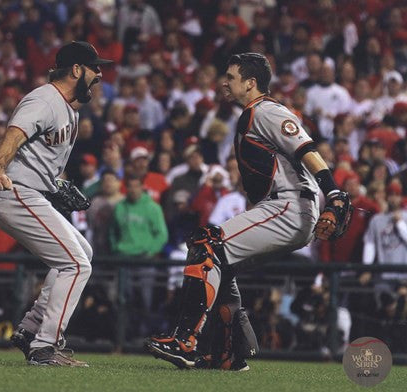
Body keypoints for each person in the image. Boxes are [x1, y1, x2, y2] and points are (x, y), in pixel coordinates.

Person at [145, 53, 350, 371]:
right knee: (220, 264)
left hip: (290, 205)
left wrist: (334, 194)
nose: (224, 82)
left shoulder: (267, 111)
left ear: (251, 83)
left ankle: (186, 341)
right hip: (287, 206)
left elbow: (307, 149)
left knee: (207, 244)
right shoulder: (255, 114)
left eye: (231, 76)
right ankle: (228, 354)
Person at [0, 41, 113, 366]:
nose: (99, 73)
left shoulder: (68, 107)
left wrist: (54, 185)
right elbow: (13, 134)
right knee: (76, 265)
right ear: (75, 69)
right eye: (94, 67)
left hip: (30, 193)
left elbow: (35, 152)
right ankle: (45, 346)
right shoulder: (44, 99)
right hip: (15, 193)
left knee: (82, 253)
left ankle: (30, 330)